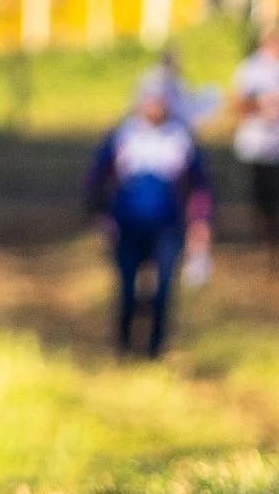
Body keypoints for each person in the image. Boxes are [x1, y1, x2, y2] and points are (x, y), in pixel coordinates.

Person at [85, 71, 212, 358]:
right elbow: (96, 179)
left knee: (164, 288)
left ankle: (155, 348)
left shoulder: (180, 138)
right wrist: (99, 216)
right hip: (127, 226)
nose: (155, 107)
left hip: (167, 227)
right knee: (127, 288)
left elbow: (200, 186)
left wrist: (200, 222)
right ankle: (123, 345)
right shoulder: (123, 135)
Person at [228, 20, 279, 267]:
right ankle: (267, 242)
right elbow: (236, 105)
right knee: (263, 199)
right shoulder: (249, 70)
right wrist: (262, 105)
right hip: (258, 146)